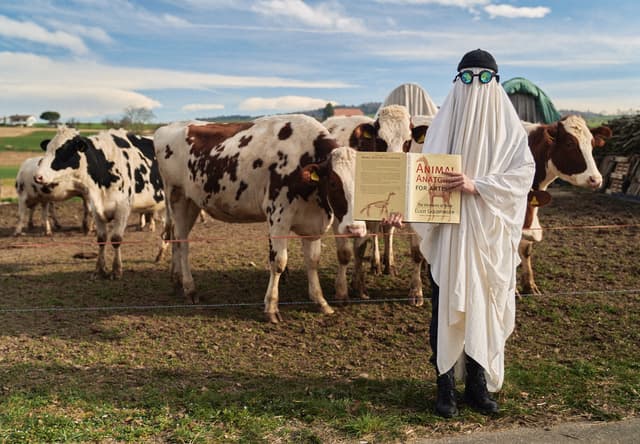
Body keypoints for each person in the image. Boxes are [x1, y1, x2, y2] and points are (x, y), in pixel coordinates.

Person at [384, 49, 535, 417]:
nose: (475, 85)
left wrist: (477, 184)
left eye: (484, 78)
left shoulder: (510, 130)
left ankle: (478, 385)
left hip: (487, 233)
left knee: (484, 304)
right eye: (467, 77)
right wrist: (401, 209)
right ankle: (445, 387)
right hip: (450, 234)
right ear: (457, 81)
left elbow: (522, 176)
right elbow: (422, 177)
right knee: (445, 307)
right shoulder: (441, 128)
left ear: (495, 82)